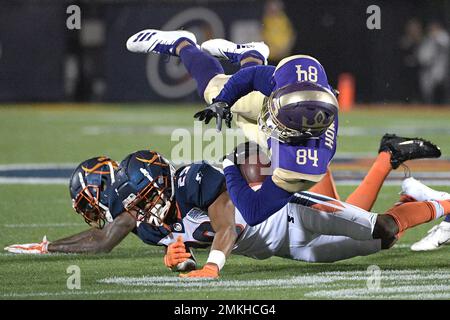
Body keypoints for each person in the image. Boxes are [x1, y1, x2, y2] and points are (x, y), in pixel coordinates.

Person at [125, 29, 441, 228]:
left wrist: (231, 165)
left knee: (345, 216)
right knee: (215, 91)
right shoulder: (297, 78)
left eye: (276, 119)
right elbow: (252, 79)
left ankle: (243, 52)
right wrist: (222, 102)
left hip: (295, 146)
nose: (270, 116)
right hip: (293, 113)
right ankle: (182, 44)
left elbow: (254, 212)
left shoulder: (302, 163)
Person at [6, 137, 447, 279]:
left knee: (383, 230)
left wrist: (212, 267)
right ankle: (392, 164)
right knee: (376, 242)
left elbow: (226, 228)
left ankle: (441, 202)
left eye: (143, 200)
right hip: (281, 248)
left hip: (286, 211)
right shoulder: (143, 220)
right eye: (136, 205)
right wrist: (48, 249)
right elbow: (104, 240)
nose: (140, 211)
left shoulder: (193, 180)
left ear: (160, 185)